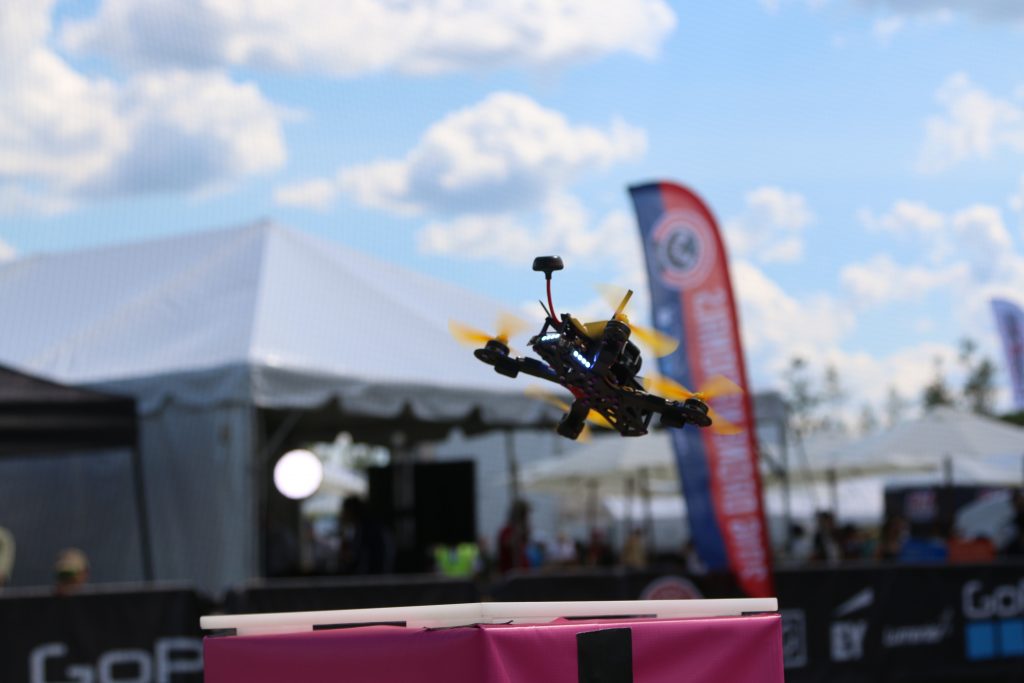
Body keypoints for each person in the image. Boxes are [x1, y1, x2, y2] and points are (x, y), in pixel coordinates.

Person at [338, 496, 392, 574]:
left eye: (345, 511)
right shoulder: (367, 527)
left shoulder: (366, 529)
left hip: (373, 577)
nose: (342, 514)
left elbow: (354, 557)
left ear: (351, 511)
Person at [497, 500, 531, 573]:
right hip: (511, 573)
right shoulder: (506, 532)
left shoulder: (522, 531)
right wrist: (518, 533)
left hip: (523, 572)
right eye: (525, 515)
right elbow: (508, 545)